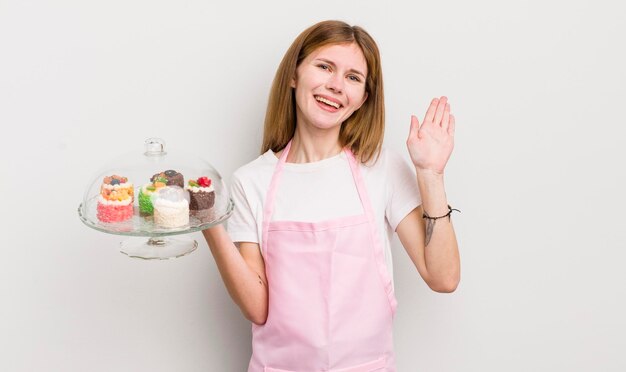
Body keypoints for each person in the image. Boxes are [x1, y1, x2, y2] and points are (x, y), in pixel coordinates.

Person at [202, 20, 460, 372]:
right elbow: (257, 307)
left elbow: (443, 278)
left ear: (363, 99)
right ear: (294, 74)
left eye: (353, 78)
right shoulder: (251, 181)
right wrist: (210, 223)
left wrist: (431, 174)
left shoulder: (380, 167)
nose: (336, 85)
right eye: (325, 67)